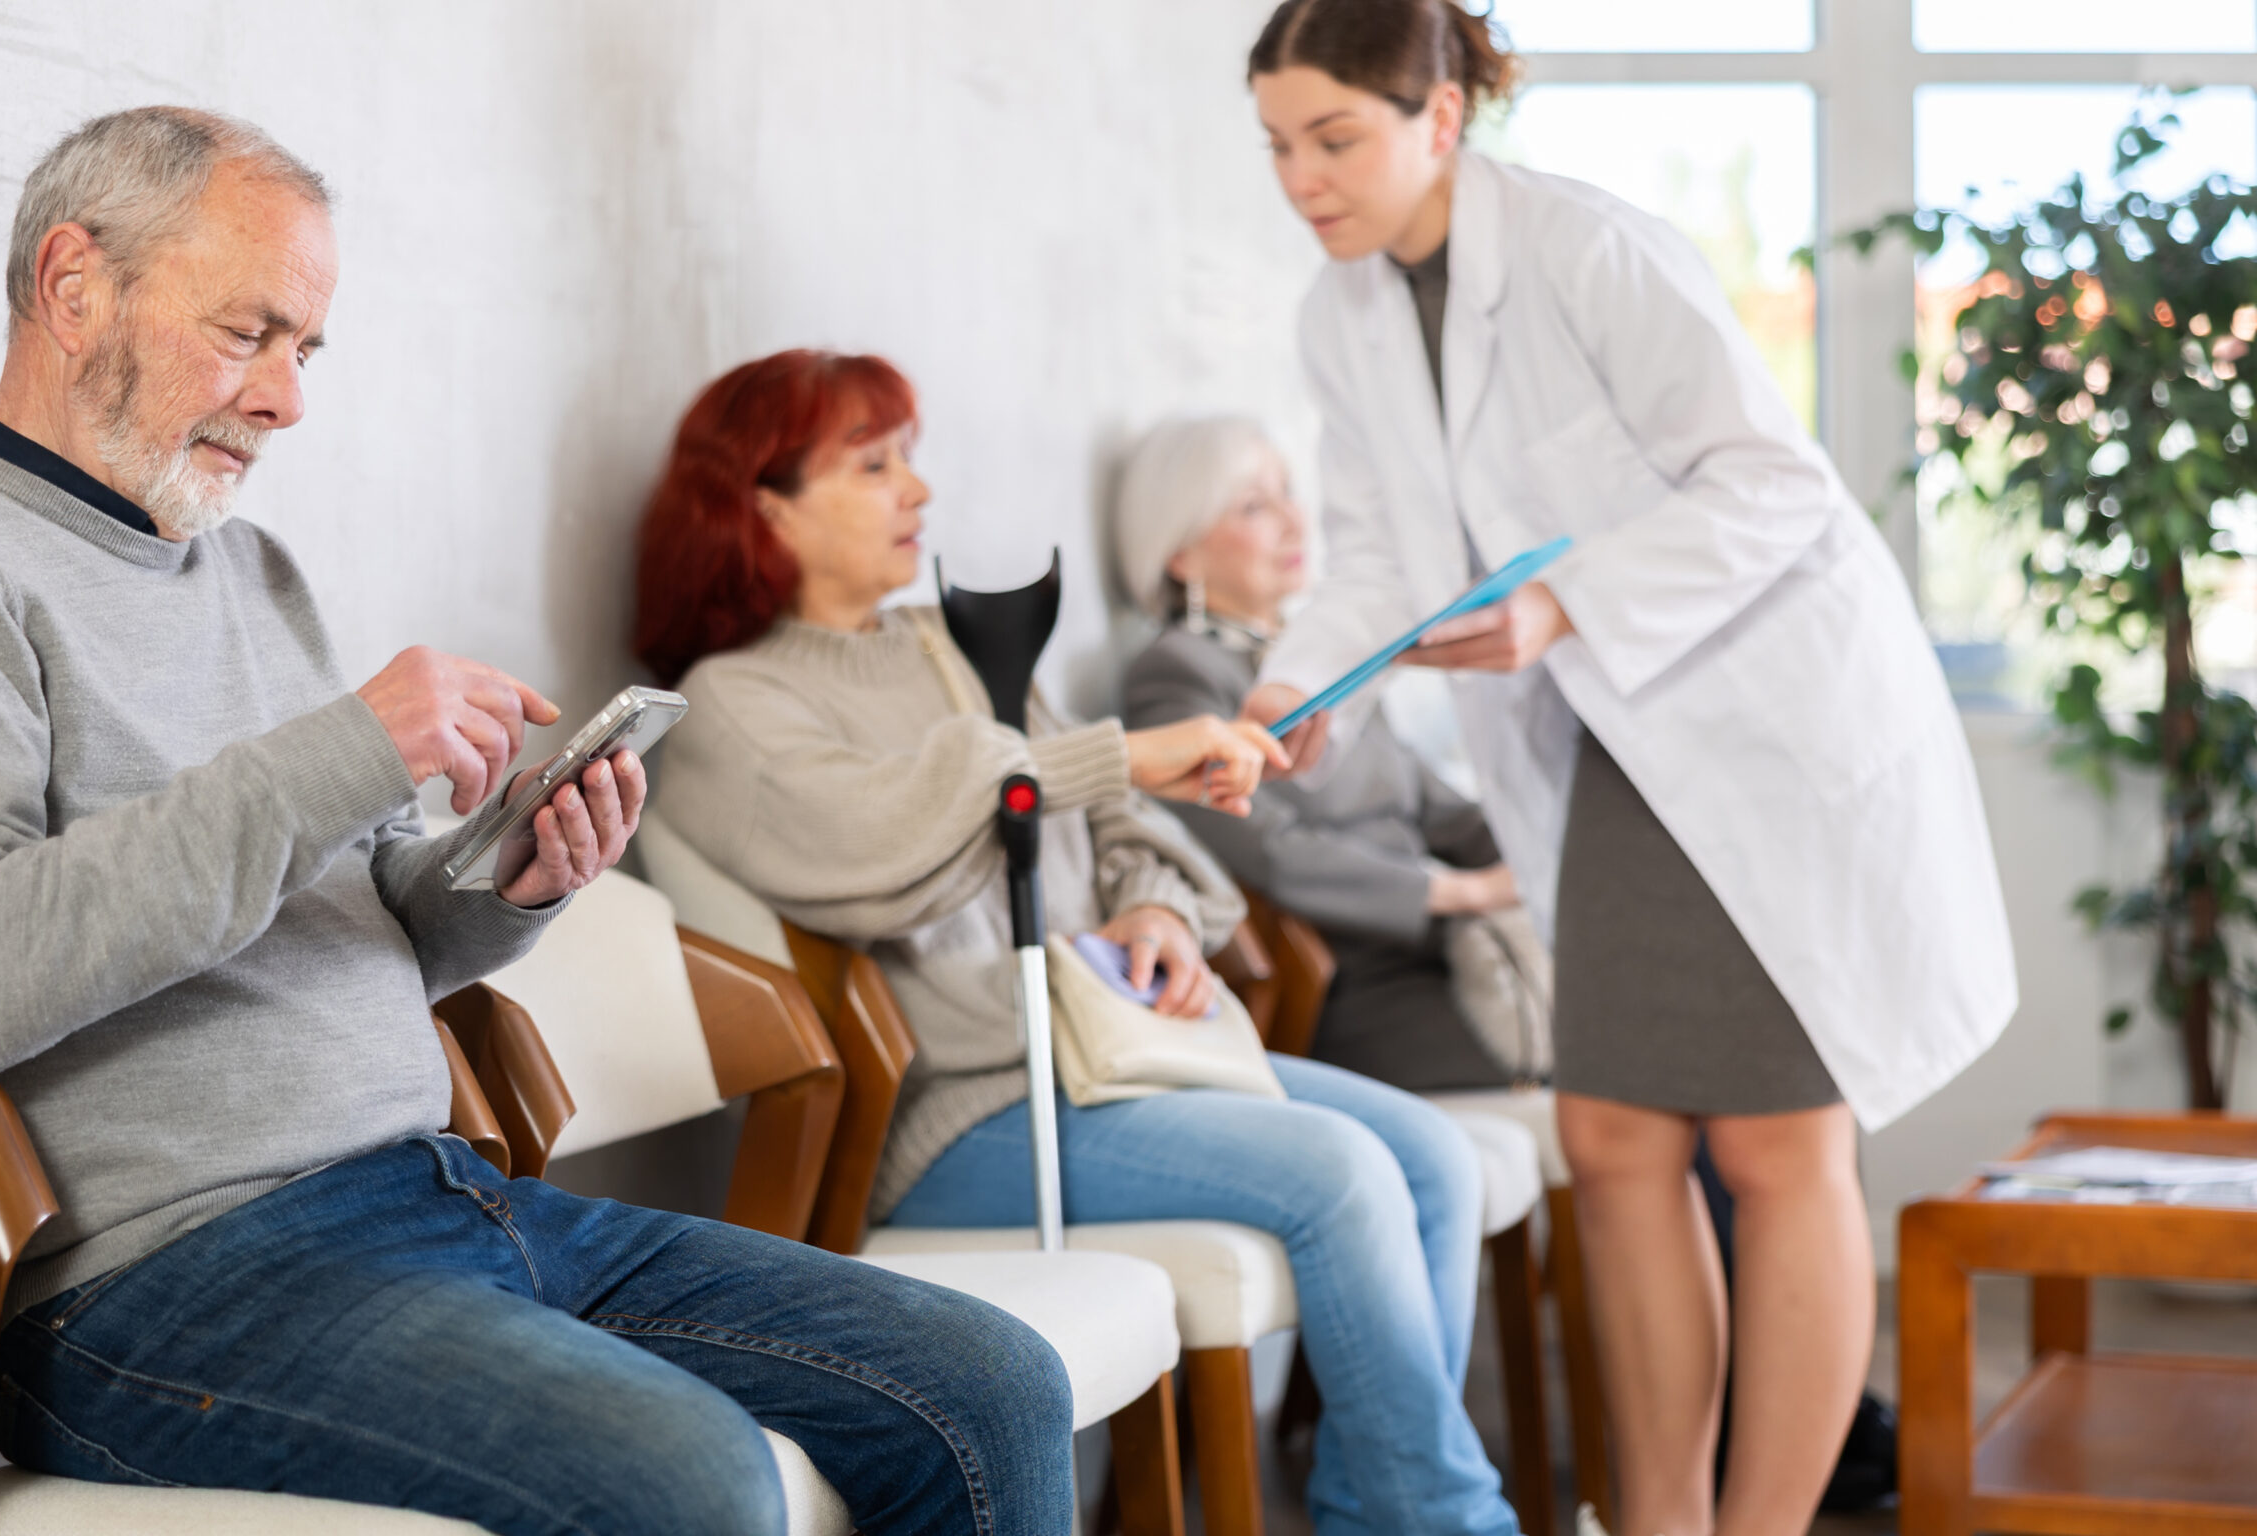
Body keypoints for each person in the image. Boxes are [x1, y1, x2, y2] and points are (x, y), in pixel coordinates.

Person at [0, 108, 1074, 1536]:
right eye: (248, 332)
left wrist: (505, 882)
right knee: (691, 1483)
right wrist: (351, 750)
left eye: (305, 350)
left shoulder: (248, 571)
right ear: (76, 287)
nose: (286, 399)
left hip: (441, 1194)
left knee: (990, 1382)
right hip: (169, 1282)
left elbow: (353, 913)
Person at [1238, 5, 2017, 1535]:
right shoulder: (1342, 316)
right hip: (1611, 743)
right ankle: (1654, 1522)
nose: (1303, 179)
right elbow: (1383, 555)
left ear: (1441, 117)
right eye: (1277, 145)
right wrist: (1287, 690)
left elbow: (1773, 484)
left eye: (1337, 138)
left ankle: (1762, 1525)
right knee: (1613, 1136)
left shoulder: (1593, 250)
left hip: (1761, 728)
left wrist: (1560, 599)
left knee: (1779, 1141)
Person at [641, 347, 1528, 1536]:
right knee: (1346, 1174)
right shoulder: (728, 710)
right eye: (872, 466)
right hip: (965, 1114)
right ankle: (1449, 1524)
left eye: (910, 459)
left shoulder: (940, 649)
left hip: (1104, 1065)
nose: (918, 492)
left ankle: (1393, 1513)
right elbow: (887, 840)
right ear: (763, 507)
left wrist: (1155, 905)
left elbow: (1113, 814)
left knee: (1430, 1154)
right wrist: (1108, 762)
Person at [1115, 415, 1530, 1093]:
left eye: (1288, 493)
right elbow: (1270, 850)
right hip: (1362, 982)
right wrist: (1461, 893)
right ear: (1180, 552)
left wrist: (1546, 855)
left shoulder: (1312, 664)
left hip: (1456, 953)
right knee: (1623, 1078)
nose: (1291, 521)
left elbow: (1434, 804)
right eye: (1253, 505)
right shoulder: (1177, 675)